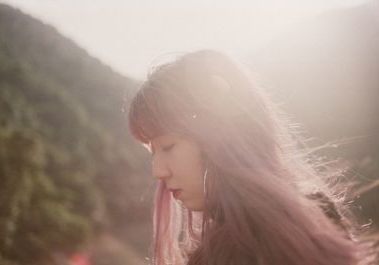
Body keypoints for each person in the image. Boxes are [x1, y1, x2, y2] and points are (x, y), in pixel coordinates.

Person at [127, 50, 375, 265]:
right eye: (153, 152)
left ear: (219, 137)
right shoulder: (316, 215)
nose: (158, 171)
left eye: (168, 146)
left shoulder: (231, 253)